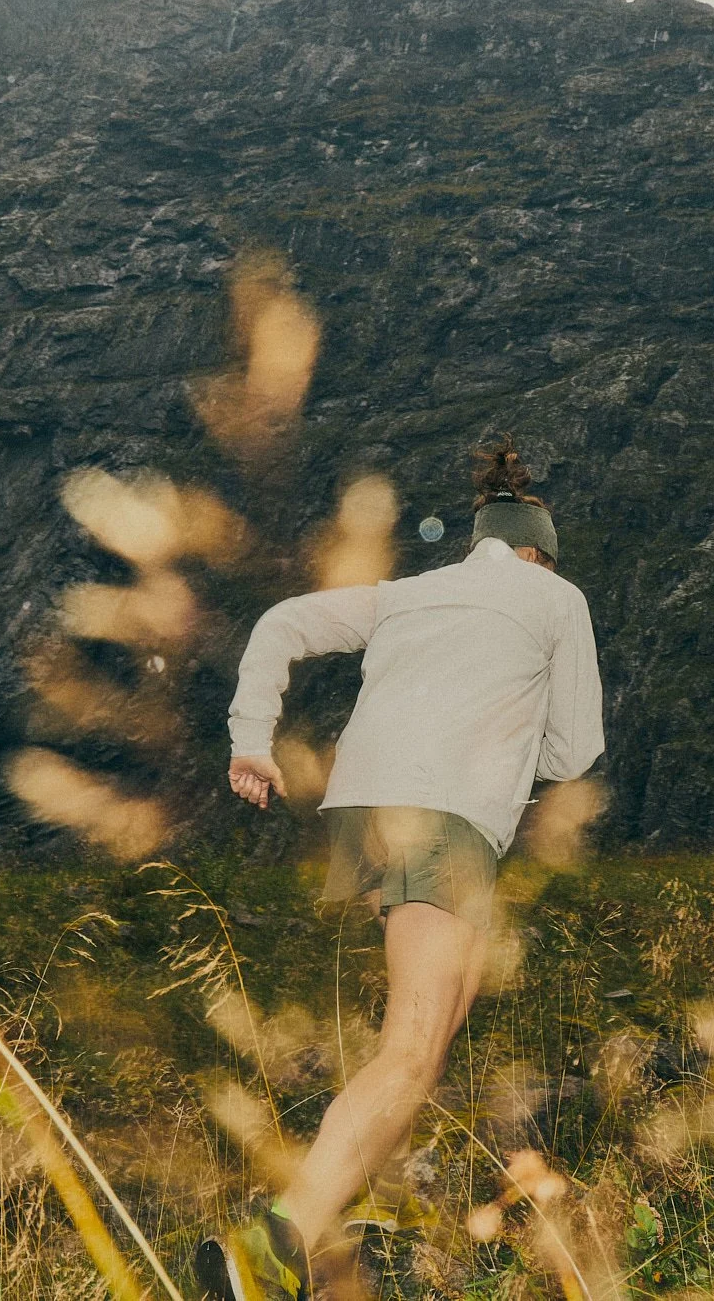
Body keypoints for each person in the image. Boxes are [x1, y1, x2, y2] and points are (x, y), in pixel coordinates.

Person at [195, 438, 605, 1301]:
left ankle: (363, 1225)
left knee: (430, 1039)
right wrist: (509, 749)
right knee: (412, 1045)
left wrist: (249, 742)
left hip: (366, 809)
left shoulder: (409, 595)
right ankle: (270, 1251)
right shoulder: (556, 598)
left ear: (478, 542)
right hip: (445, 813)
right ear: (540, 550)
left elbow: (281, 624)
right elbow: (576, 745)